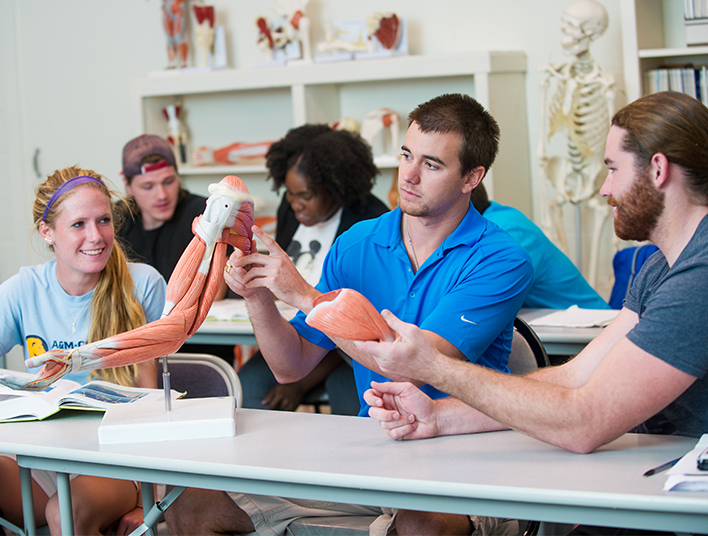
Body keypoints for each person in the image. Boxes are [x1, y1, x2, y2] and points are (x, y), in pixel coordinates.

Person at [164, 93, 533, 536]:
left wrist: (303, 296)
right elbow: (291, 366)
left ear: (472, 176)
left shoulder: (501, 259)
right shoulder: (358, 243)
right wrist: (258, 293)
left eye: (432, 165)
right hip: (374, 451)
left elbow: (414, 369)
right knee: (193, 506)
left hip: (464, 455)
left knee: (421, 525)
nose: (409, 176)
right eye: (406, 155)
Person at [355, 91, 708, 458]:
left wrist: (434, 367)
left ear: (658, 169)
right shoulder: (663, 262)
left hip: (700, 498)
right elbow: (577, 375)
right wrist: (439, 416)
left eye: (613, 169)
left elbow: (585, 421)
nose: (604, 189)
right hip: (657, 472)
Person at [0, 166, 167, 535]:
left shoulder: (143, 285)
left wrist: (151, 502)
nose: (96, 236)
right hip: (45, 458)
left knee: (66, 514)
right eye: (78, 224)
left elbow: (153, 401)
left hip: (119, 463)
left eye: (104, 220)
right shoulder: (22, 288)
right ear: (48, 233)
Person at [239, 124, 389, 415]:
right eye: (290, 194)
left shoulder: (368, 224)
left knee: (351, 397)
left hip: (345, 351)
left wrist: (301, 382)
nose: (295, 204)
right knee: (249, 386)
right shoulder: (291, 208)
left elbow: (360, 326)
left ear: (335, 188)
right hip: (294, 333)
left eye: (305, 195)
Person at [117, 133, 235, 365]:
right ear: (127, 185)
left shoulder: (206, 213)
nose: (161, 195)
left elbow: (215, 291)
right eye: (148, 186)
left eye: (168, 182)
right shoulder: (115, 220)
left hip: (201, 349)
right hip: (136, 348)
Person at [471, 182, 609, 310]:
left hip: (592, 327)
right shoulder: (489, 222)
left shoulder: (505, 230)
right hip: (553, 327)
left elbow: (482, 298)